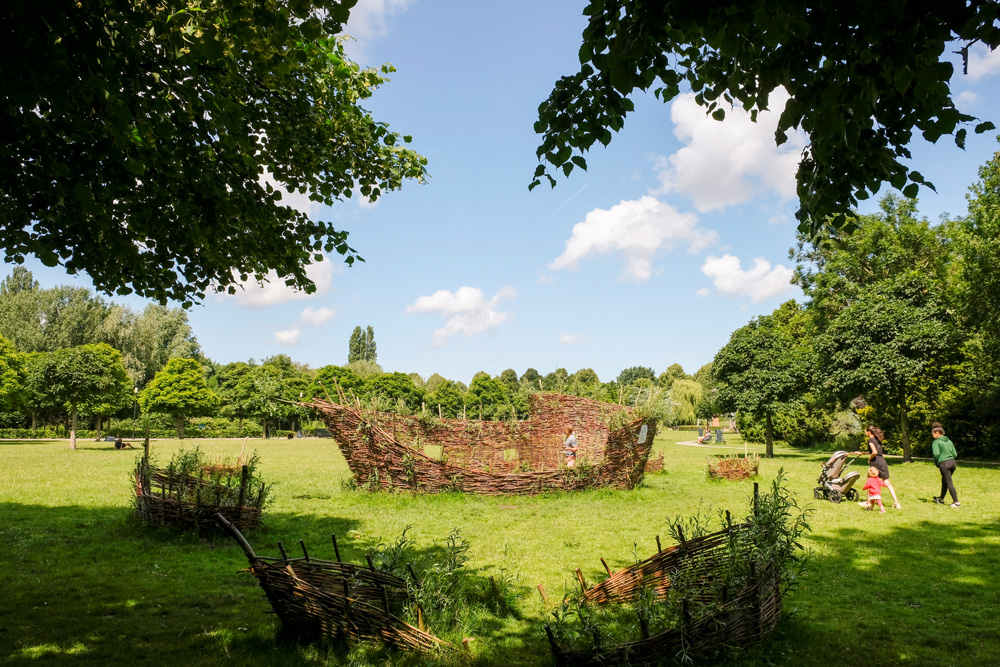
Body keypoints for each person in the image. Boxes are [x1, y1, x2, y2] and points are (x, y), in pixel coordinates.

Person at [853, 426, 901, 509]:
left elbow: (874, 452)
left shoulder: (870, 440)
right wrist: (861, 453)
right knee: (887, 483)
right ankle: (896, 503)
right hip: (882, 462)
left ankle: (868, 502)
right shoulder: (878, 440)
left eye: (865, 431)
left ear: (869, 432)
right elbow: (873, 451)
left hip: (876, 462)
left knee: (871, 481)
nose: (865, 433)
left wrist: (870, 458)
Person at [930, 422, 960, 507]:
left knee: (949, 483)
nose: (933, 436)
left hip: (944, 464)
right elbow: (955, 454)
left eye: (933, 434)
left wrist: (937, 463)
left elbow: (936, 454)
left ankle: (956, 502)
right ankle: (941, 498)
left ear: (937, 433)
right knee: (945, 481)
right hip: (953, 463)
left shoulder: (936, 442)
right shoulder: (949, 441)